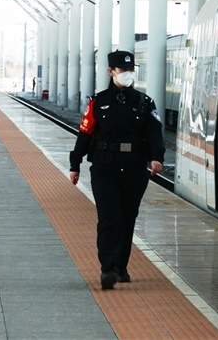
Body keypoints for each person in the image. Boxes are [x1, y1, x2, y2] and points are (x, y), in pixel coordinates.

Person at [69, 50, 165, 289]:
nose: (128, 74)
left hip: (134, 168)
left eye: (131, 70)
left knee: (127, 217)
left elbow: (155, 134)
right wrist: (75, 164)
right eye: (123, 70)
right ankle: (108, 268)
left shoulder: (145, 103)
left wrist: (156, 158)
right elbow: (84, 133)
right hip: (105, 167)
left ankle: (121, 267)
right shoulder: (98, 102)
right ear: (111, 71)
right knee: (109, 217)